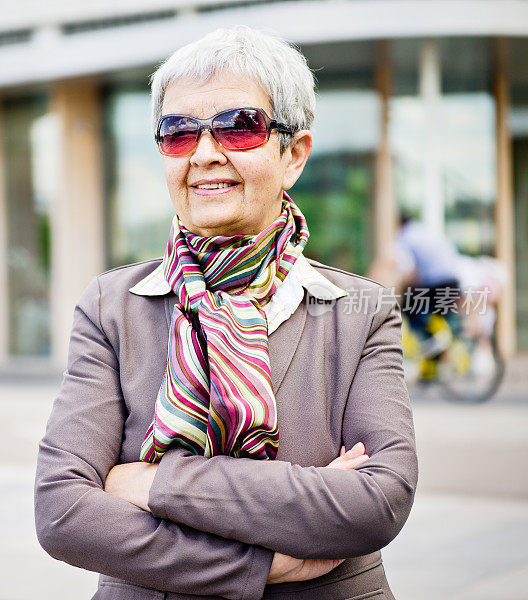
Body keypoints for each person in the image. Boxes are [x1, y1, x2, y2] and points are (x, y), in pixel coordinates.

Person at [35, 26, 417, 600]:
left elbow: (377, 503)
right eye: (179, 132)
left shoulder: (361, 312)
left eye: (240, 127)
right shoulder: (110, 307)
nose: (205, 153)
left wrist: (154, 480)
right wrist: (257, 566)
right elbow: (63, 511)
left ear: (293, 155)